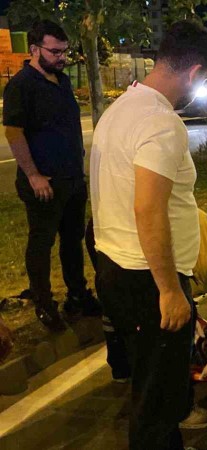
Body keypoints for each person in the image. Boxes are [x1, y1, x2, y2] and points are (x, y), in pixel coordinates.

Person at [89, 21, 207, 450]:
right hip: (148, 280)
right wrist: (168, 290)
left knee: (150, 386)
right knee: (155, 407)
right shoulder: (161, 122)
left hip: (115, 266)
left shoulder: (121, 107)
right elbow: (148, 208)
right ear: (197, 73)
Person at [87, 209, 207, 428]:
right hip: (138, 240)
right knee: (174, 333)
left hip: (106, 226)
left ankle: (121, 369)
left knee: (116, 307)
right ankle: (180, 410)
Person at [2, 20, 100, 332]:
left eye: (64, 51)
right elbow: (14, 132)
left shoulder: (62, 81)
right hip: (43, 183)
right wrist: (33, 175)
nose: (61, 57)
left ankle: (77, 294)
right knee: (41, 243)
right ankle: (44, 305)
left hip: (71, 180)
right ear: (34, 49)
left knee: (72, 241)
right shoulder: (21, 85)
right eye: (54, 51)